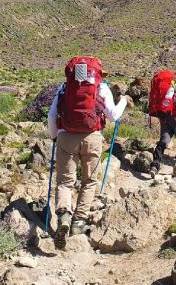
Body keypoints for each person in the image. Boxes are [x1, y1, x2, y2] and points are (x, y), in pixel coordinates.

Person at [47, 57, 127, 249]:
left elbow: (51, 116)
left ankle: (64, 215)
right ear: (97, 73)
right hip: (92, 137)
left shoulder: (65, 88)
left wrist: (55, 137)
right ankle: (78, 223)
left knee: (65, 182)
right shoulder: (102, 88)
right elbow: (113, 116)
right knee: (89, 182)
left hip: (66, 136)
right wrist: (123, 101)